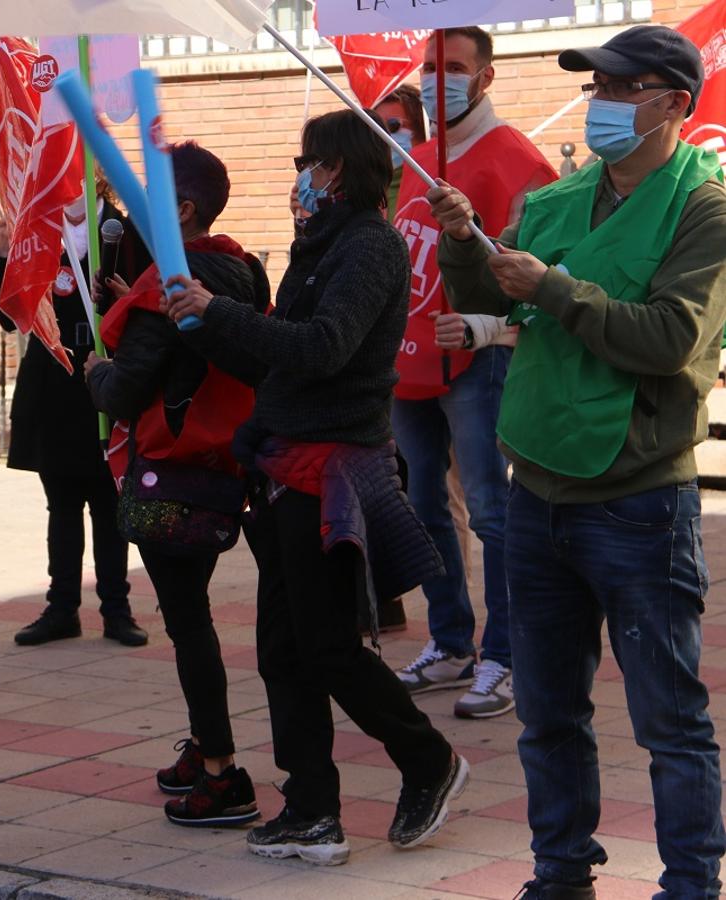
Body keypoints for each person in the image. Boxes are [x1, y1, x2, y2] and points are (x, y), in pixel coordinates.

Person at [430, 24, 726, 899]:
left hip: (637, 502)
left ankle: (689, 885)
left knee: (669, 720)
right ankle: (560, 873)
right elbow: (484, 291)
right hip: (539, 488)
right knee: (548, 714)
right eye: (596, 86)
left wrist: (552, 289)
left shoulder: (705, 209)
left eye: (622, 88)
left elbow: (674, 338)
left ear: (673, 104)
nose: (601, 103)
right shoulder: (562, 196)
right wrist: (461, 238)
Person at [164, 109, 467, 867]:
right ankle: (310, 809)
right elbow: (278, 358)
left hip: (328, 469)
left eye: (306, 160)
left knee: (329, 648)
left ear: (335, 168)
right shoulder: (319, 244)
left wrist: (219, 309)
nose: (298, 174)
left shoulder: (368, 246)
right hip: (281, 464)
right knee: (282, 650)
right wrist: (206, 326)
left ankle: (428, 760)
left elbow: (323, 349)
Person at [86, 141, 270, 827]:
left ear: (180, 208)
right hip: (225, 468)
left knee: (189, 624)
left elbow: (128, 389)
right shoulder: (243, 268)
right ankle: (205, 744)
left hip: (169, 473)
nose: (131, 211)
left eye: (144, 197)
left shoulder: (167, 281)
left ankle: (222, 771)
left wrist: (97, 373)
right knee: (191, 617)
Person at [392, 27, 558, 719]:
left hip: (480, 360)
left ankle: (509, 655)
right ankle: (451, 641)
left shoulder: (519, 161)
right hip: (409, 361)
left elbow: (541, 275)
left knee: (493, 510)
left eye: (455, 67)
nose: (439, 79)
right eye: (430, 66)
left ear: (485, 77)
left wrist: (490, 329)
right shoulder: (417, 157)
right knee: (424, 505)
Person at [0, 176, 151, 648]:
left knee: (108, 506)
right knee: (61, 506)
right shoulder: (37, 230)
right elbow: (7, 314)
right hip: (52, 384)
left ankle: (116, 610)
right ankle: (61, 607)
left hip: (103, 381)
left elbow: (144, 303)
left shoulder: (123, 230)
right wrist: (4, 253)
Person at [375, 83, 426, 220]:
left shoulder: (436, 191)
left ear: (422, 129)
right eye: (375, 128)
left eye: (393, 125)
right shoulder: (364, 193)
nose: (383, 136)